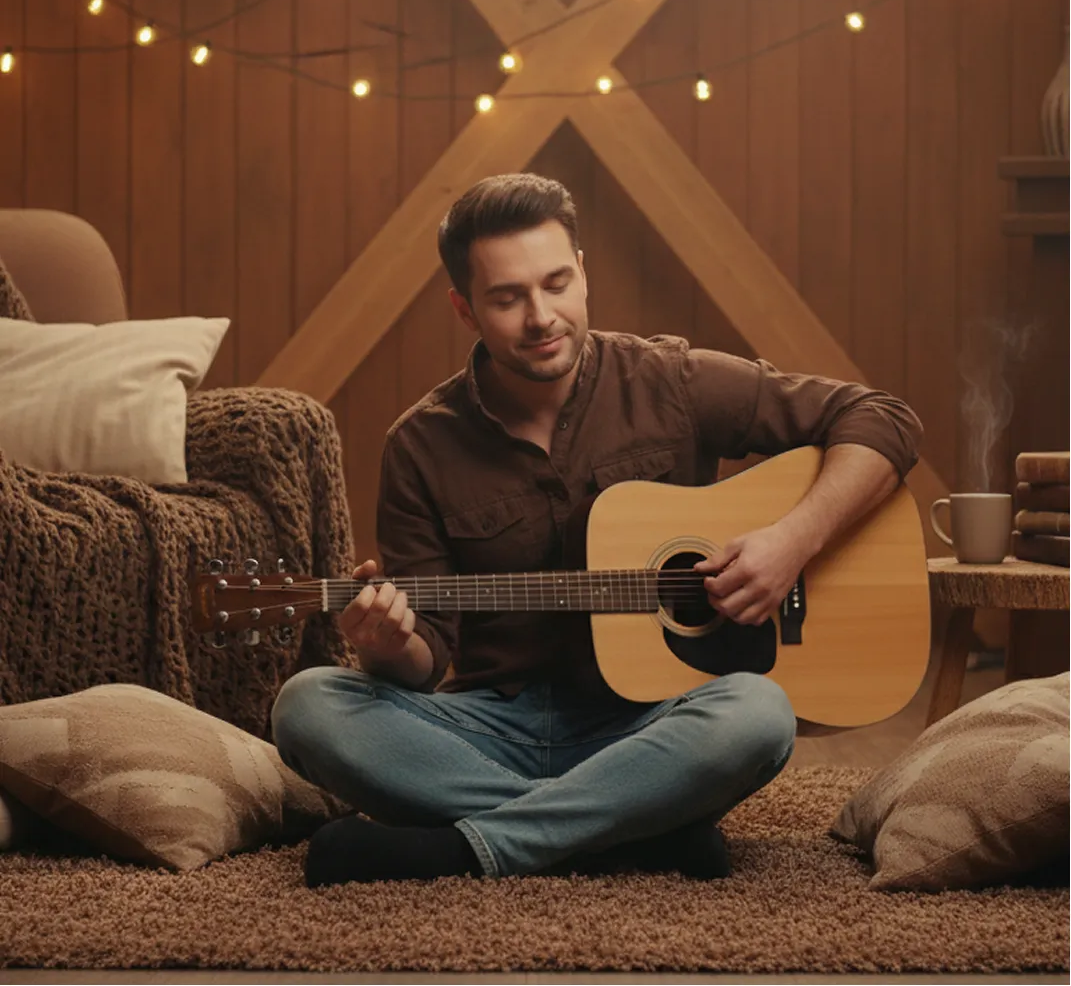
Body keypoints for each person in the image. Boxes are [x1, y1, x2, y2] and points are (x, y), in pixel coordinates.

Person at [271, 172, 923, 887]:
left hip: (653, 724)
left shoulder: (671, 380)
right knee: (307, 707)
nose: (541, 315)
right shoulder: (420, 445)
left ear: (582, 274)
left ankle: (467, 848)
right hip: (493, 730)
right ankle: (633, 829)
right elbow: (426, 660)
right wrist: (388, 643)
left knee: (758, 711)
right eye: (507, 297)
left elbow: (883, 418)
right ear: (465, 309)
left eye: (556, 283)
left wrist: (792, 539)